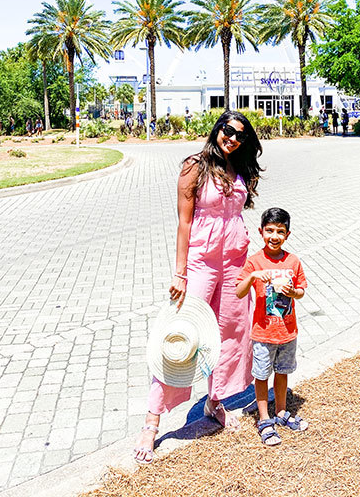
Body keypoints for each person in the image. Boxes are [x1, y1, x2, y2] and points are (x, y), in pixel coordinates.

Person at [134, 110, 263, 465]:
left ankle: (215, 401)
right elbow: (183, 222)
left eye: (240, 135)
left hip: (235, 262)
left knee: (232, 333)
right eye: (227, 130)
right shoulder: (195, 166)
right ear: (216, 129)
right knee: (183, 336)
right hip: (201, 264)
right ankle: (152, 421)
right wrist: (179, 273)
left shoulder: (239, 169)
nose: (232, 138)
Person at [236, 207, 308, 446]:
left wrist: (293, 292)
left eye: (280, 231)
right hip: (263, 333)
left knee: (283, 371)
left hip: (287, 331)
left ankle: (280, 412)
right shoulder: (254, 262)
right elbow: (239, 291)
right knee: (261, 375)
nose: (274, 236)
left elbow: (301, 291)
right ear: (261, 232)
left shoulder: (293, 261)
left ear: (287, 234)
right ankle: (264, 419)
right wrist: (254, 276)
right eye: (269, 230)